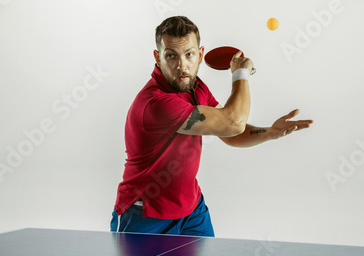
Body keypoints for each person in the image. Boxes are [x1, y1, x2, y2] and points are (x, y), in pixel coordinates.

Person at [111, 16, 313, 237]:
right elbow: (233, 123)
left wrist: (268, 133)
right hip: (145, 214)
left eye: (189, 54)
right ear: (157, 58)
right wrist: (241, 74)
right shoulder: (157, 104)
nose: (182, 66)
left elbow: (230, 133)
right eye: (171, 56)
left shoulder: (196, 88)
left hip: (192, 209)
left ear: (200, 54)